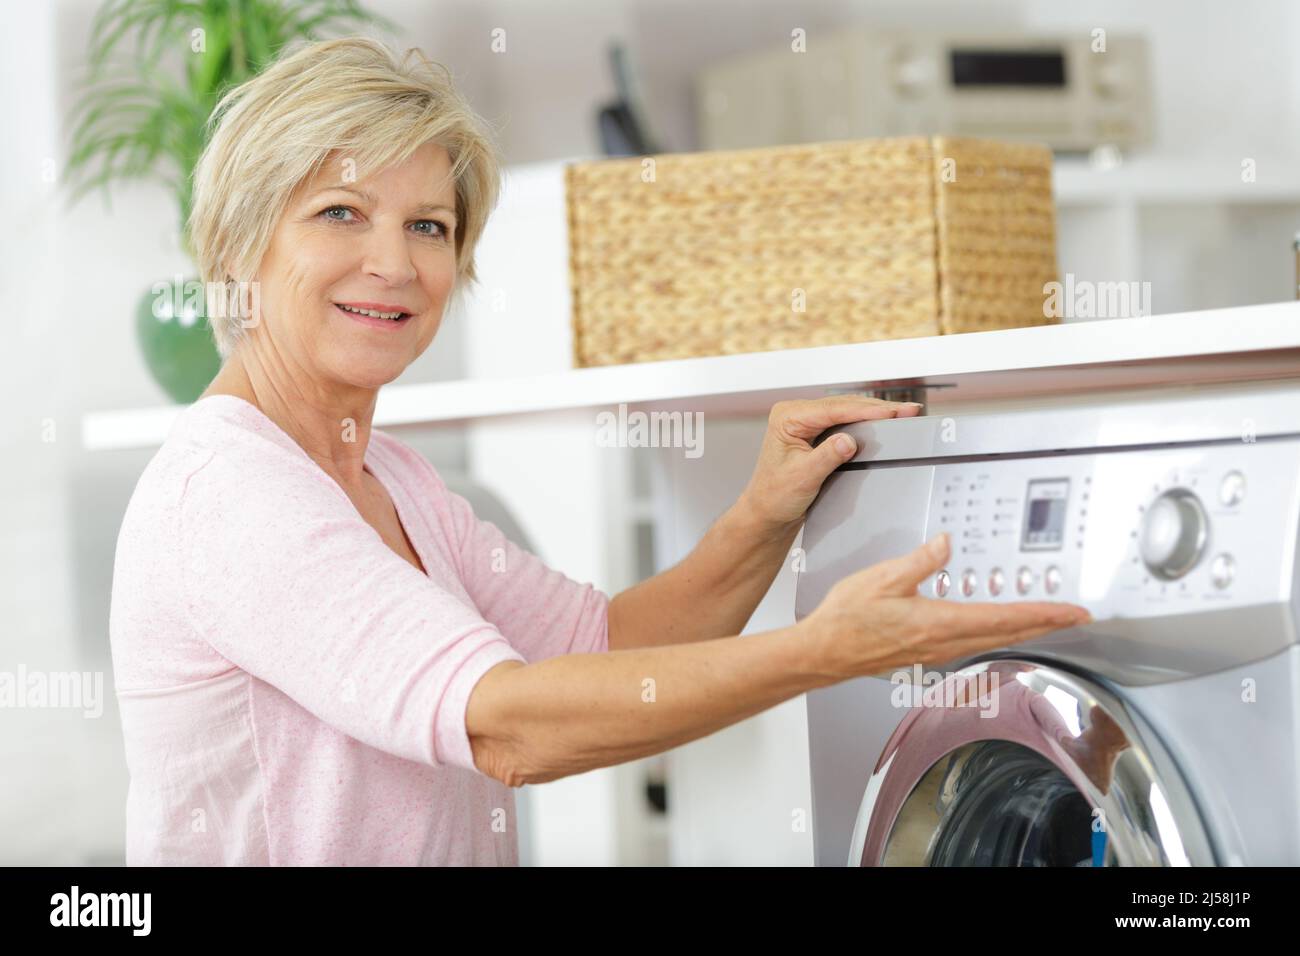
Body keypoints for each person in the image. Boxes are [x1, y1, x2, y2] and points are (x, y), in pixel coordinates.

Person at [108, 36, 1091, 865]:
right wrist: (822, 653)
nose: (395, 261)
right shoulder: (230, 491)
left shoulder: (390, 477)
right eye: (340, 213)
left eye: (428, 225)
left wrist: (763, 510)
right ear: (238, 248)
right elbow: (508, 724)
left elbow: (608, 648)